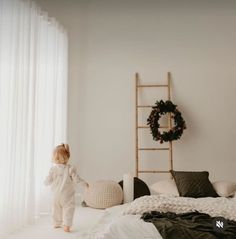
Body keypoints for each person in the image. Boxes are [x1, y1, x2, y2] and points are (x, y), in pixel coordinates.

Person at [44, 143, 88, 232]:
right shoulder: (70, 168)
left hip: (55, 195)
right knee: (68, 209)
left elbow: (48, 180)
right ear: (67, 156)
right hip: (66, 195)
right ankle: (67, 225)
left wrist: (45, 183)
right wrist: (85, 184)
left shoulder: (53, 169)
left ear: (54, 157)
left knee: (56, 209)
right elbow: (77, 179)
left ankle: (56, 223)